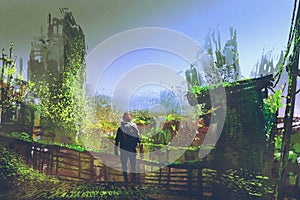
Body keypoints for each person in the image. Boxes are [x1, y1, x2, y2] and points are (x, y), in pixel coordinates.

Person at [114, 112, 140, 182]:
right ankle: (131, 180)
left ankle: (129, 180)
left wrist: (116, 150)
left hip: (127, 149)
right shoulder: (131, 126)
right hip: (128, 149)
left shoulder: (131, 126)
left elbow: (117, 140)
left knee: (127, 165)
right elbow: (138, 138)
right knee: (131, 165)